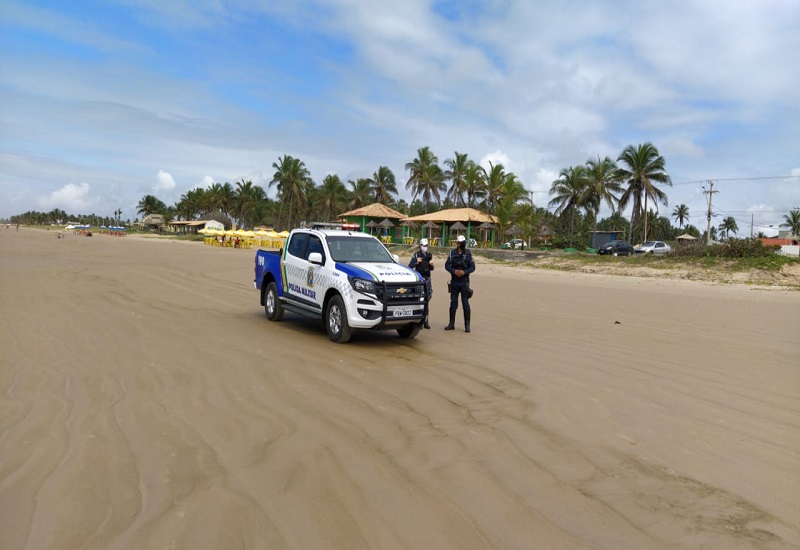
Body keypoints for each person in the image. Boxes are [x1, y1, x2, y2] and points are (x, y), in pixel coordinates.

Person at [444, 234, 475, 332]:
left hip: (464, 282)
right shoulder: (452, 253)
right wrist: (454, 271)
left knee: (465, 304)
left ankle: (467, 325)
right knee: (453, 303)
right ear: (457, 244)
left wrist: (464, 272)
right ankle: (451, 323)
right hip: (454, 282)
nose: (463, 245)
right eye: (461, 243)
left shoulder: (468, 253)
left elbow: (473, 267)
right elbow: (447, 265)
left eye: (464, 243)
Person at [408, 238, 434, 329]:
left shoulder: (429, 255)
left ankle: (426, 320)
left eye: (426, 246)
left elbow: (432, 268)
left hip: (427, 278)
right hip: (419, 279)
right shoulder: (416, 255)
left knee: (427, 299)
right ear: (420, 246)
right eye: (424, 246)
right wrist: (416, 262)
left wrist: (431, 265)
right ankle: (417, 319)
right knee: (418, 299)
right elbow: (410, 266)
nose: (425, 247)